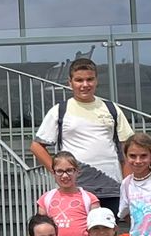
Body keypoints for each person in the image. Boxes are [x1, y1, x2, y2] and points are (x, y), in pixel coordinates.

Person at [31, 57, 133, 214]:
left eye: (89, 79)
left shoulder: (112, 109)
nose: (85, 85)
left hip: (112, 189)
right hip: (76, 190)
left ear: (96, 81)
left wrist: (128, 187)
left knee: (111, 230)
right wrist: (60, 172)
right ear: (70, 83)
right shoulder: (59, 110)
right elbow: (36, 146)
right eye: (79, 80)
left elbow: (126, 150)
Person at [36, 153, 98, 236]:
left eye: (69, 170)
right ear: (53, 173)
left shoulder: (90, 198)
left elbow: (97, 227)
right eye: (59, 171)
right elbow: (40, 228)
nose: (65, 176)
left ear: (77, 172)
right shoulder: (45, 199)